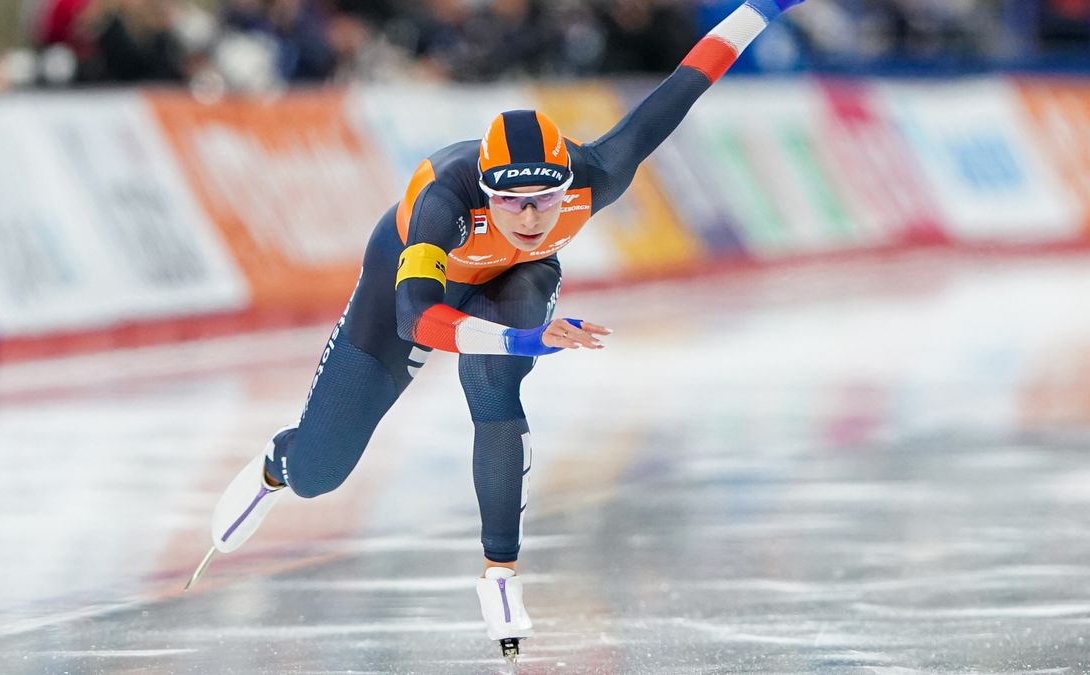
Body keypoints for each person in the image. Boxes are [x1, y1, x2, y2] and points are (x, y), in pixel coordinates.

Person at [189, 0, 806, 664]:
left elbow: (691, 77)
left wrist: (762, 8)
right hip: (414, 292)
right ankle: (280, 465)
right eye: (512, 200)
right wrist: (527, 341)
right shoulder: (443, 204)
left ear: (569, 184)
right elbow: (416, 319)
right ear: (485, 191)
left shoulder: (598, 174)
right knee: (321, 472)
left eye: (546, 197)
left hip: (518, 281)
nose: (532, 215)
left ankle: (500, 574)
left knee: (493, 385)